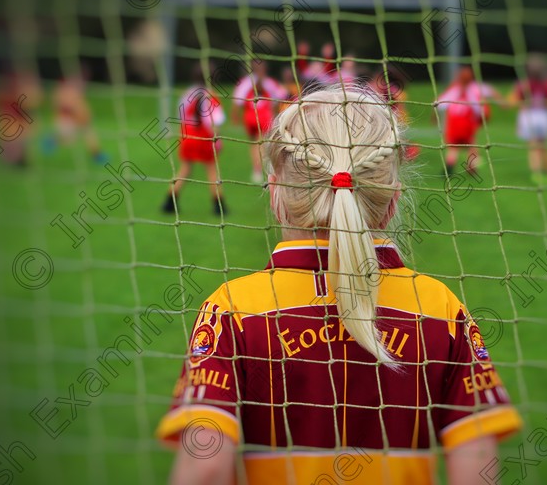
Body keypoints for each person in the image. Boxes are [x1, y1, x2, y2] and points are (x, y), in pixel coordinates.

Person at [156, 84, 522, 485]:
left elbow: (205, 467)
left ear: (275, 194)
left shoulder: (232, 310)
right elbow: (478, 468)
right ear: (394, 200)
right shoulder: (440, 308)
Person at [161, 74, 227, 216]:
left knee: (185, 169)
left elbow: (180, 116)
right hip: (204, 137)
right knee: (212, 170)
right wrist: (218, 140)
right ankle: (218, 205)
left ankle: (169, 201)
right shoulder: (211, 96)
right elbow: (216, 120)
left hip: (187, 136)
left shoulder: (187, 94)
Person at [437, 66, 500, 176]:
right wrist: (484, 116)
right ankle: (471, 167)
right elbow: (479, 108)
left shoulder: (454, 90)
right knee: (471, 145)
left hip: (453, 125)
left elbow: (439, 104)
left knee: (453, 148)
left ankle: (449, 167)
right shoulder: (474, 90)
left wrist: (434, 117)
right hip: (467, 124)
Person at [232, 61, 288, 183]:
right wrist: (275, 115)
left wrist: (235, 117)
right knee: (262, 144)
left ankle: (256, 170)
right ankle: (265, 168)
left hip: (250, 117)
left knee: (254, 144)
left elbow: (237, 102)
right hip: (263, 117)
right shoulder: (270, 83)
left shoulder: (245, 83)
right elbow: (279, 98)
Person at [44, 70, 109, 165]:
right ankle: (53, 140)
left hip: (78, 120)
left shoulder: (76, 92)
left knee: (89, 134)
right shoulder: (61, 93)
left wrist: (84, 115)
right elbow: (59, 107)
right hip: (66, 120)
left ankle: (97, 155)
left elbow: (83, 107)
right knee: (69, 140)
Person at [509, 55, 547, 185]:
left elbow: (513, 101)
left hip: (529, 116)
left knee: (533, 146)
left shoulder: (523, 84)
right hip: (544, 116)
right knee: (544, 146)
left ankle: (536, 173)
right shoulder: (546, 84)